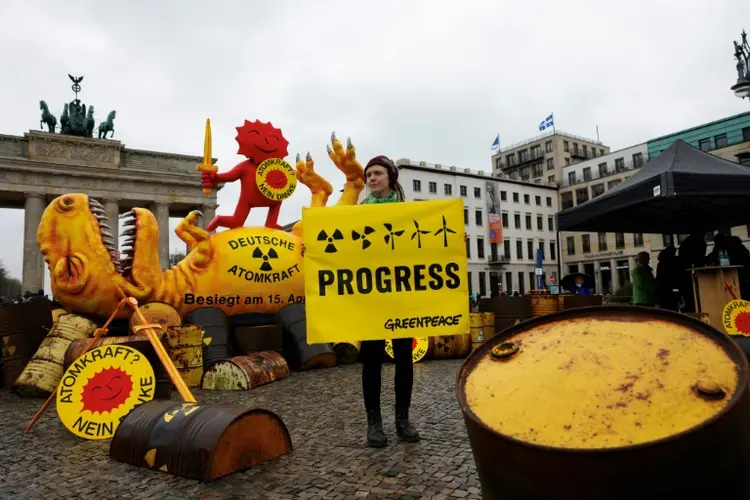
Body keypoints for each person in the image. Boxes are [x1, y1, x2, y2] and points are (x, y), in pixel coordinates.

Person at [358, 155, 420, 448]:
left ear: (391, 177)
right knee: (371, 360)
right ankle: (374, 425)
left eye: (377, 173)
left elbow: (426, 246)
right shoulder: (357, 214)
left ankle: (402, 421)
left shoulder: (409, 213)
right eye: (368, 174)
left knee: (403, 358)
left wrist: (456, 240)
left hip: (402, 296)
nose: (371, 178)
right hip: (371, 298)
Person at [656, 245, 680, 311]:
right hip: (672, 289)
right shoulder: (674, 262)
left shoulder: (660, 264)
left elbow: (659, 279)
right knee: (674, 307)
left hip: (663, 291)